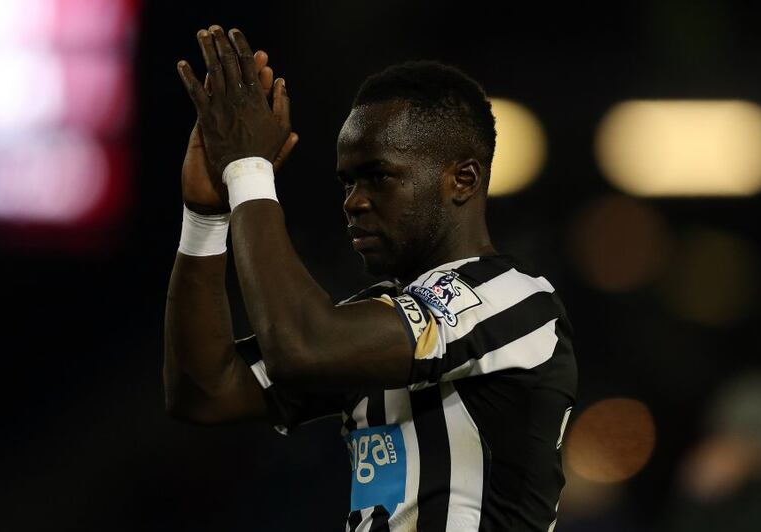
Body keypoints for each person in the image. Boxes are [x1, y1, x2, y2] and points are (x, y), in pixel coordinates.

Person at [164, 24, 577, 532]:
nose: (354, 202)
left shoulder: (513, 302)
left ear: (462, 179)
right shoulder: (374, 323)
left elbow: (303, 346)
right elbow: (205, 392)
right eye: (348, 182)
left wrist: (248, 171)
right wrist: (205, 219)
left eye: (378, 176)